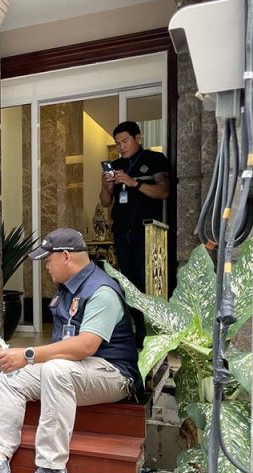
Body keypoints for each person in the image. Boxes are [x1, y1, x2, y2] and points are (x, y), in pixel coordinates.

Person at [0, 228, 142, 473]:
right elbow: (64, 347)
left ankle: (53, 472)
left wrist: (28, 354)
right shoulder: (67, 289)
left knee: (54, 370)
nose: (46, 267)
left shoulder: (102, 291)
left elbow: (86, 346)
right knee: (13, 375)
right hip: (75, 369)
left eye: (48, 260)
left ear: (66, 257)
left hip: (113, 373)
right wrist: (22, 361)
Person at [99, 121, 170, 346]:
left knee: (146, 283)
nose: (121, 147)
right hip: (122, 232)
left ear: (138, 138)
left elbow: (164, 191)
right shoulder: (115, 165)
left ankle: (151, 335)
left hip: (147, 233)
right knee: (128, 284)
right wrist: (107, 187)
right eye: (117, 143)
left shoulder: (154, 159)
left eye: (125, 141)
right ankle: (134, 334)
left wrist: (134, 183)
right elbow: (105, 202)